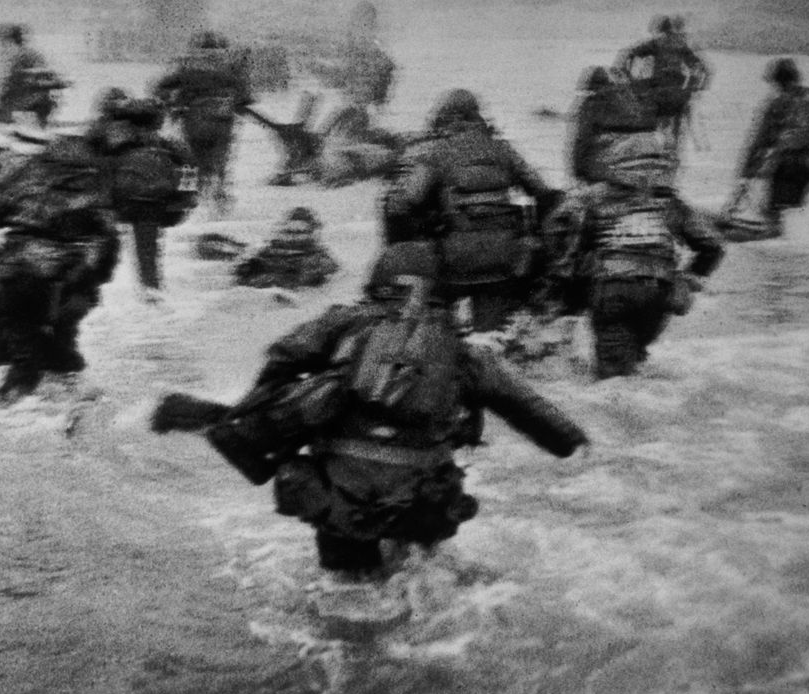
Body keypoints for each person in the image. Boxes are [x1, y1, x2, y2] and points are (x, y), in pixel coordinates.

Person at [151, 241, 587, 576]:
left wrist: (258, 415)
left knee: (347, 592)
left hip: (337, 494)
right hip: (423, 499)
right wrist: (572, 443)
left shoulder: (342, 321)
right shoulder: (462, 352)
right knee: (418, 579)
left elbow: (282, 357)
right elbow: (525, 406)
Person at [549, 125, 723, 379]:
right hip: (659, 294)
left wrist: (567, 268)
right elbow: (713, 246)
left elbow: (558, 227)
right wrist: (691, 277)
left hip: (612, 291)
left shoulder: (592, 197)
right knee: (634, 364)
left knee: (612, 381)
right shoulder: (672, 202)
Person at [382, 89, 564, 332]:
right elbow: (545, 195)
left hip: (455, 262)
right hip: (503, 261)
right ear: (477, 117)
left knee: (437, 326)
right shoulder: (503, 150)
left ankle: (442, 342)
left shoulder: (437, 152)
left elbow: (406, 203)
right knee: (489, 337)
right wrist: (532, 239)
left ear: (447, 118)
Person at [0, 137, 120, 401]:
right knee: (63, 339)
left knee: (23, 346)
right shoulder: (92, 197)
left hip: (16, 277)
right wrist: (98, 277)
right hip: (66, 282)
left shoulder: (25, 189)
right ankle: (69, 396)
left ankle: (17, 400)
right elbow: (110, 240)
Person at [85, 88, 194, 298]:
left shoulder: (103, 135)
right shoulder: (161, 140)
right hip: (153, 203)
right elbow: (187, 163)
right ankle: (151, 288)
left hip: (114, 202)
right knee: (148, 251)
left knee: (94, 242)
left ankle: (87, 288)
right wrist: (186, 196)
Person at [734, 58, 809, 236]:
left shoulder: (777, 102)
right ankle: (793, 252)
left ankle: (774, 250)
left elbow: (759, 142)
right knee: (793, 211)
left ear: (776, 81)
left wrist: (744, 175)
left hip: (789, 164)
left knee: (774, 213)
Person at [153, 31, 252, 220]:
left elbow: (161, 88)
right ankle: (218, 194)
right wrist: (234, 103)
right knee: (220, 160)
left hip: (194, 118)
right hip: (222, 120)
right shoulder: (228, 67)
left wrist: (172, 104)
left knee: (192, 158)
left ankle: (192, 197)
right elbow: (244, 94)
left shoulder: (187, 65)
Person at [614, 15, 710, 149]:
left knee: (652, 127)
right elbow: (703, 69)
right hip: (678, 95)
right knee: (674, 134)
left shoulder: (655, 43)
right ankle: (672, 154)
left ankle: (653, 152)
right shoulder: (681, 45)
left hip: (658, 94)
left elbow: (629, 54)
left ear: (659, 30)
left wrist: (627, 77)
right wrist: (695, 88)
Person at [232, 205, 340, 289]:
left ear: (311, 232)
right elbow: (242, 273)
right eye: (290, 231)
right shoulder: (268, 251)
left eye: (301, 232)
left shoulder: (319, 256)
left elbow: (327, 271)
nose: (294, 236)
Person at [0, 23, 65, 128]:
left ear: (11, 40)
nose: (3, 46)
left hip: (31, 106)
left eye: (5, 42)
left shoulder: (23, 56)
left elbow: (46, 78)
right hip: (29, 106)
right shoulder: (18, 56)